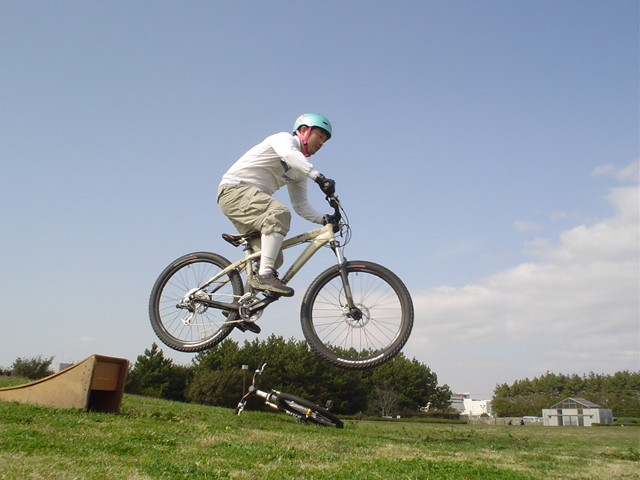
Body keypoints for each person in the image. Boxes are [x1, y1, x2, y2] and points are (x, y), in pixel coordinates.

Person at [217, 113, 336, 299]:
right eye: (320, 136)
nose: (322, 142)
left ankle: (243, 305)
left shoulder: (299, 172)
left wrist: (324, 219)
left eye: (325, 141)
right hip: (234, 190)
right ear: (304, 130)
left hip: (250, 203)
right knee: (278, 213)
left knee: (274, 257)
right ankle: (264, 276)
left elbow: (301, 205)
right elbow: (289, 155)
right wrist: (319, 178)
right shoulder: (284, 139)